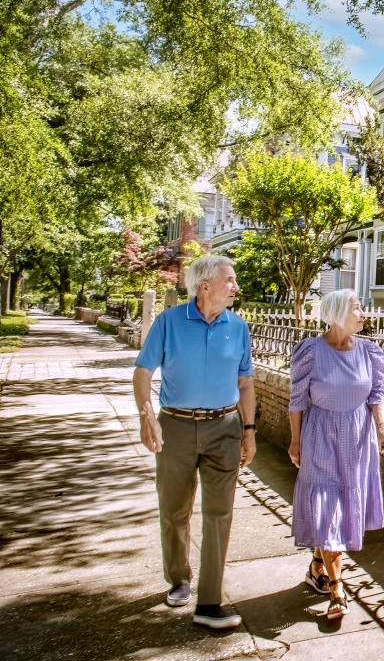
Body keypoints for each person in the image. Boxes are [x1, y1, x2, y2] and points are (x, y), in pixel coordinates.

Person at [133, 254, 255, 630]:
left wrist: (249, 431)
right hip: (177, 427)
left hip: (225, 428)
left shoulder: (238, 327)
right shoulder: (169, 323)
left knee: (219, 514)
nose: (235, 286)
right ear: (205, 286)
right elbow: (142, 372)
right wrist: (146, 416)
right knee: (174, 509)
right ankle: (179, 578)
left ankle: (209, 601)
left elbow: (246, 383)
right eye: (230, 280)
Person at [288, 289, 384, 620]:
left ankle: (318, 564)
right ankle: (337, 590)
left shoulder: (370, 352)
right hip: (320, 437)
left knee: (341, 509)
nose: (364, 314)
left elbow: (378, 394)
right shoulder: (311, 351)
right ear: (335, 314)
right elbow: (297, 400)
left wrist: (383, 427)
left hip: (357, 440)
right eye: (357, 308)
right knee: (326, 511)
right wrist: (295, 441)